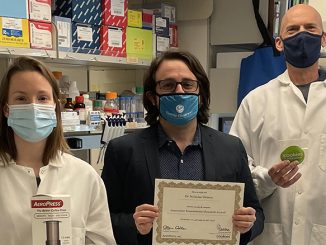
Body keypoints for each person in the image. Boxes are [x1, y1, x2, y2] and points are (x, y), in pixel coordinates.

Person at [101, 50, 264, 245]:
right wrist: (133, 224)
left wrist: (247, 225)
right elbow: (102, 218)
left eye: (187, 84)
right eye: (168, 85)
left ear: (200, 93)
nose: (179, 91)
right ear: (153, 97)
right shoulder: (123, 150)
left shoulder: (231, 148)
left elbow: (257, 215)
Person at [229, 4, 326, 245]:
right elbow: (234, 172)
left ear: (323, 39)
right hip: (272, 236)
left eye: (310, 28)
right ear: (279, 43)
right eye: (292, 30)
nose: (302, 34)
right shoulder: (256, 101)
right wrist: (268, 179)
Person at [0, 56, 116, 245]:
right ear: (6, 109)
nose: (33, 106)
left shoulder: (84, 175)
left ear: (55, 107)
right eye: (21, 98)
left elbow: (100, 241)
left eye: (42, 98)